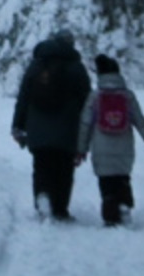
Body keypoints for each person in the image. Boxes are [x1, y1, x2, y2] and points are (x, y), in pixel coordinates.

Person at [11, 29, 91, 220]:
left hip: (37, 129)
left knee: (41, 166)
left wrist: (17, 125)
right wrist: (88, 131)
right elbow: (87, 102)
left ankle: (43, 198)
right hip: (68, 128)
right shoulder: (77, 67)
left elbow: (23, 98)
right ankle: (60, 209)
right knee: (64, 169)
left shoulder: (35, 66)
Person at [75, 54, 144, 227]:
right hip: (124, 148)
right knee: (123, 179)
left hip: (101, 149)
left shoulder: (95, 97)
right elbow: (140, 121)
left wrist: (81, 149)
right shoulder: (128, 96)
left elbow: (85, 124)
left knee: (107, 183)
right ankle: (124, 206)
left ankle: (110, 216)